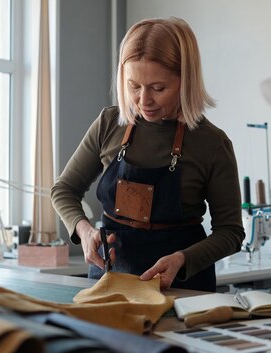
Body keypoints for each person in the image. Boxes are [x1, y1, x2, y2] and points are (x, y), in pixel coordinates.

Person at [51, 17, 245, 292]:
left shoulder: (212, 143)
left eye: (158, 88)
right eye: (134, 86)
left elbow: (231, 233)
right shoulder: (109, 124)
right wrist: (84, 231)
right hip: (109, 283)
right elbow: (64, 190)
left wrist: (183, 259)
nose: (144, 101)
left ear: (185, 80)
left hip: (183, 288)